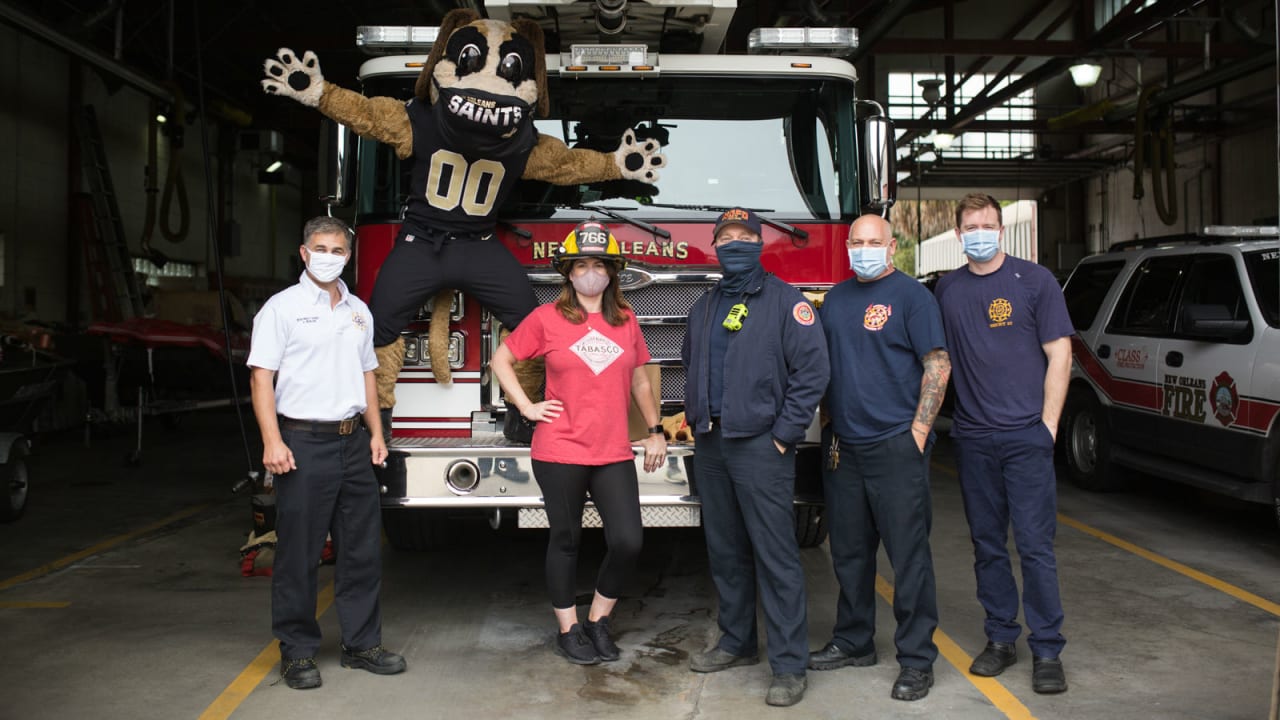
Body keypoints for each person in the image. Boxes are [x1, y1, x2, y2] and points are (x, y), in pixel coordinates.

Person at [490, 220, 667, 665]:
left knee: (628, 540)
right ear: (568, 272)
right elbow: (502, 358)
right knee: (565, 540)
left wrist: (654, 429)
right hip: (560, 448)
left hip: (612, 451)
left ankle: (598, 620)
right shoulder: (546, 318)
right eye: (582, 265)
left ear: (612, 272)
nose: (591, 273)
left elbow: (641, 382)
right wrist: (528, 408)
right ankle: (568, 630)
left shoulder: (625, 321)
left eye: (599, 265)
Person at [247, 216, 406, 690]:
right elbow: (261, 377)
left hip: (354, 441)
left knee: (361, 552)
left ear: (348, 255)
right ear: (303, 252)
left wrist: (376, 433)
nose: (329, 256)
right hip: (302, 442)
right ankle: (296, 653)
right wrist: (272, 442)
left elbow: (368, 376)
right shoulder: (282, 308)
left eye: (338, 250)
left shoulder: (359, 310)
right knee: (299, 553)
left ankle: (361, 645)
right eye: (320, 247)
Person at [681, 207, 829, 707]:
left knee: (776, 556)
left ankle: (788, 665)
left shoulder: (788, 303)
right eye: (727, 237)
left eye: (746, 236)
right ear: (716, 245)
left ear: (759, 244)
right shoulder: (702, 308)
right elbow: (689, 366)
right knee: (725, 552)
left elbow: (813, 372)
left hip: (762, 448)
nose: (735, 243)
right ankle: (737, 642)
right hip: (712, 446)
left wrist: (785, 435)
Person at [934, 193, 1073, 695]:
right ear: (958, 235)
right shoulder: (947, 290)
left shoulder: (1035, 281)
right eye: (971, 226)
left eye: (989, 225)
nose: (980, 233)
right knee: (988, 545)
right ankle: (1000, 639)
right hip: (973, 440)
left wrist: (1048, 428)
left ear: (1001, 230)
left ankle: (1048, 648)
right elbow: (936, 361)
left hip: (1026, 438)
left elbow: (1061, 355)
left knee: (1035, 547)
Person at [808, 214, 950, 701]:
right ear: (848, 246)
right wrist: (828, 424)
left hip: (896, 445)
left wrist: (918, 431)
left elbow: (937, 363)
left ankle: (916, 659)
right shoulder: (837, 300)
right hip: (844, 448)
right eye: (858, 242)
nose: (865, 249)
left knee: (908, 558)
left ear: (892, 248)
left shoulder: (914, 298)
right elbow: (824, 367)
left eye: (875, 242)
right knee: (848, 554)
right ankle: (853, 641)